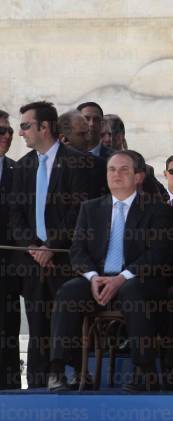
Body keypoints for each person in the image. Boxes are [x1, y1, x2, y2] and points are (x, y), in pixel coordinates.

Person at [48, 150, 173, 392]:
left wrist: (121, 278)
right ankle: (60, 369)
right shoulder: (91, 208)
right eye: (111, 169)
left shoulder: (157, 209)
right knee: (68, 292)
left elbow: (159, 253)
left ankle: (142, 370)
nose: (116, 174)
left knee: (132, 291)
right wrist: (93, 277)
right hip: (98, 278)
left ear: (138, 176)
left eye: (124, 169)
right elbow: (77, 250)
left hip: (137, 279)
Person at [10, 101, 90, 388]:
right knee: (37, 324)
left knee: (65, 323)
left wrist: (51, 247)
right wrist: (33, 247)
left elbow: (79, 211)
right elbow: (15, 215)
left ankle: (70, 377)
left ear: (45, 127)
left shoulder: (77, 163)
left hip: (65, 259)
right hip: (32, 262)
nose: (20, 133)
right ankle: (37, 385)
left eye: (25, 126)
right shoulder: (23, 167)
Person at [0, 109, 20, 389]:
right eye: (0, 131)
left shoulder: (19, 171)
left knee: (7, 330)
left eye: (9, 131)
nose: (6, 136)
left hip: (8, 268)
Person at [57, 110, 108, 198]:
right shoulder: (45, 164)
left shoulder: (99, 165)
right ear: (64, 138)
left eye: (88, 132)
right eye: (82, 134)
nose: (88, 138)